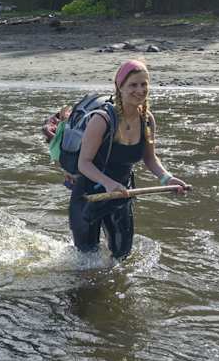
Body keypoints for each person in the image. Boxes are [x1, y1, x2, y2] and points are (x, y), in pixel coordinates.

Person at [67, 60, 189, 259]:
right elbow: (84, 163)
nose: (140, 90)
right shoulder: (102, 120)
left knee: (122, 255)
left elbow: (150, 158)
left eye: (144, 84)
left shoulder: (147, 120)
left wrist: (167, 178)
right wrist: (108, 183)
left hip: (122, 194)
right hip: (88, 196)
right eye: (133, 85)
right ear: (120, 87)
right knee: (86, 259)